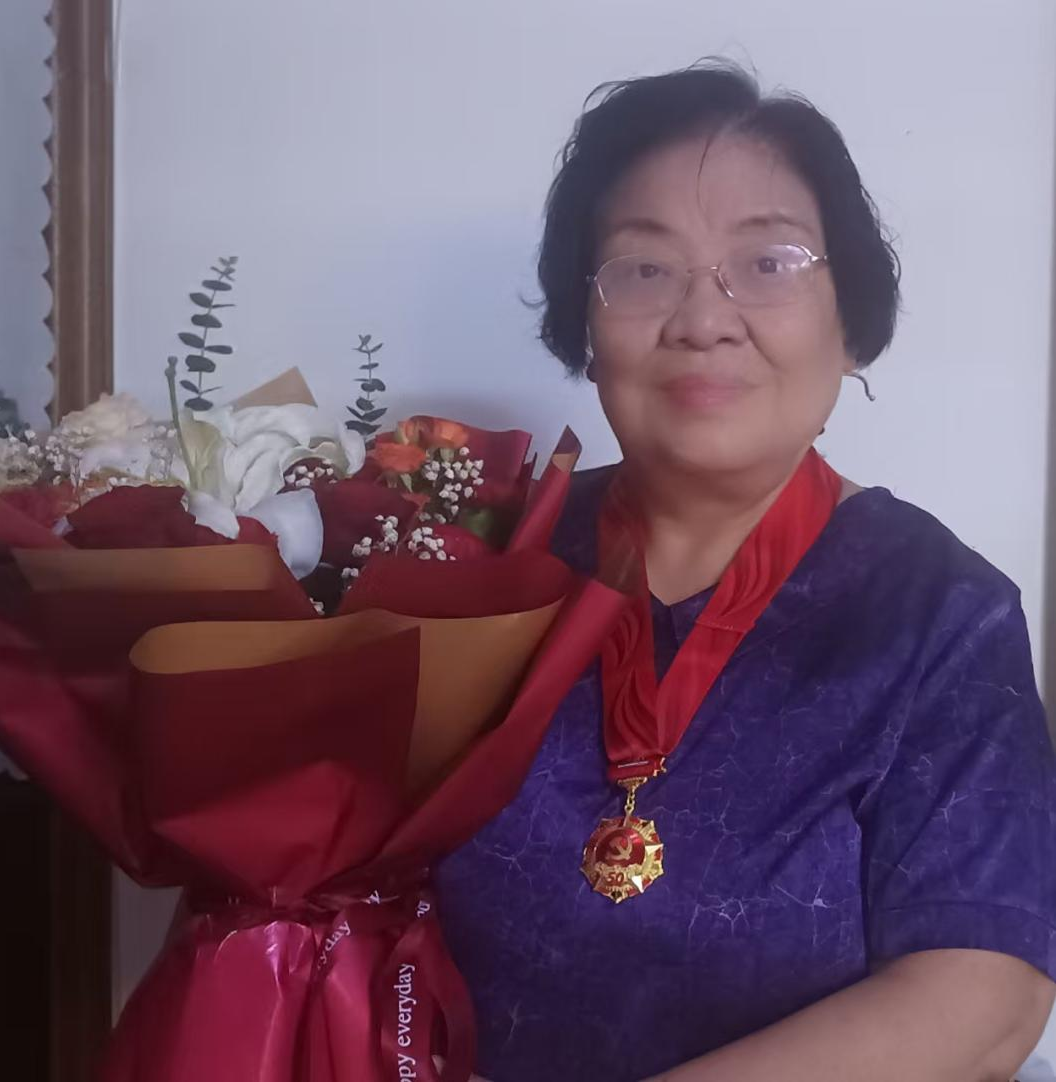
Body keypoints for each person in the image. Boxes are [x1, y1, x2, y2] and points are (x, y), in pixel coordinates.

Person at [435, 62, 1056, 1081]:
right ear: (585, 324)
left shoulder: (942, 613)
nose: (702, 318)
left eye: (768, 262)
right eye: (643, 268)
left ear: (849, 322)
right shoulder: (491, 556)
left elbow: (983, 994)